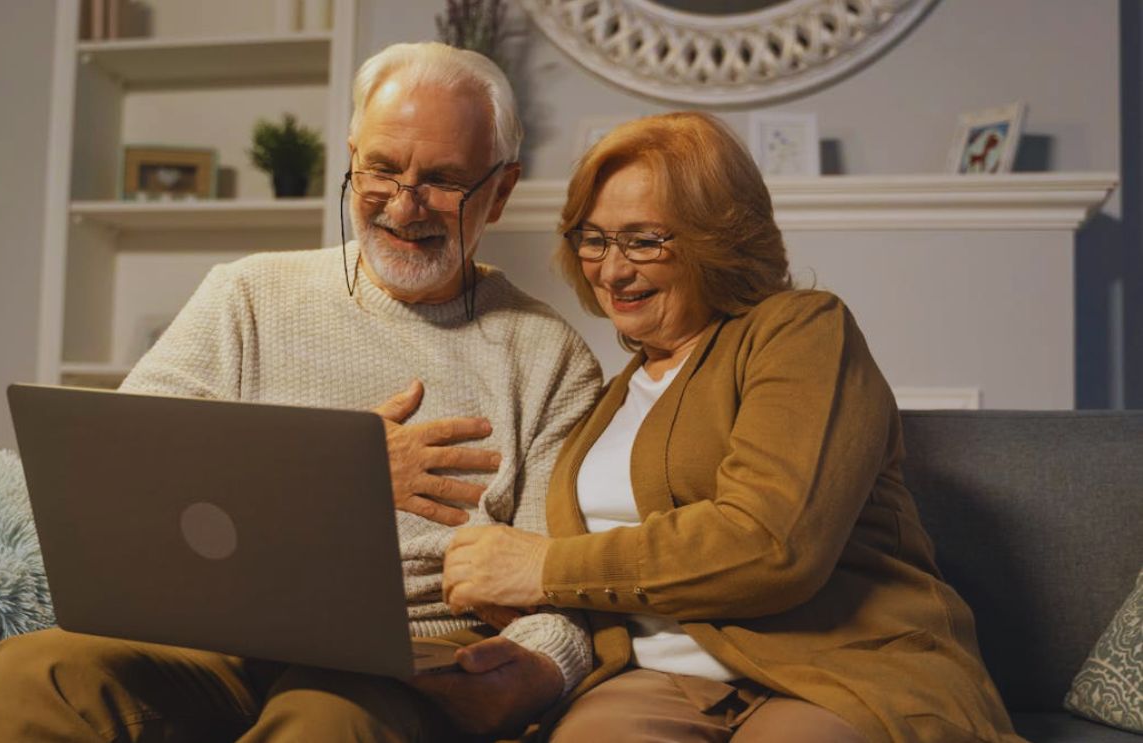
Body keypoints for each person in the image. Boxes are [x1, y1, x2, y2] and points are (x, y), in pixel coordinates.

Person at [0, 42, 600, 742]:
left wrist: (541, 665)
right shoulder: (246, 295)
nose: (404, 204)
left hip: (406, 662)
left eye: (443, 179)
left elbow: (562, 585)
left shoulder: (547, 358)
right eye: (380, 169)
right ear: (350, 156)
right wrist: (334, 479)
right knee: (34, 667)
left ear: (500, 191)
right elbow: (122, 482)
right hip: (208, 642)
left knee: (326, 720)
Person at [440, 112, 1027, 743]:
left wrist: (547, 568)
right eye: (595, 239)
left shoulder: (800, 331)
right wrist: (503, 598)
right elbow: (592, 577)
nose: (611, 270)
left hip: (837, 669)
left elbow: (771, 544)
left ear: (717, 238)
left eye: (644, 240)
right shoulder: (608, 398)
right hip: (652, 682)